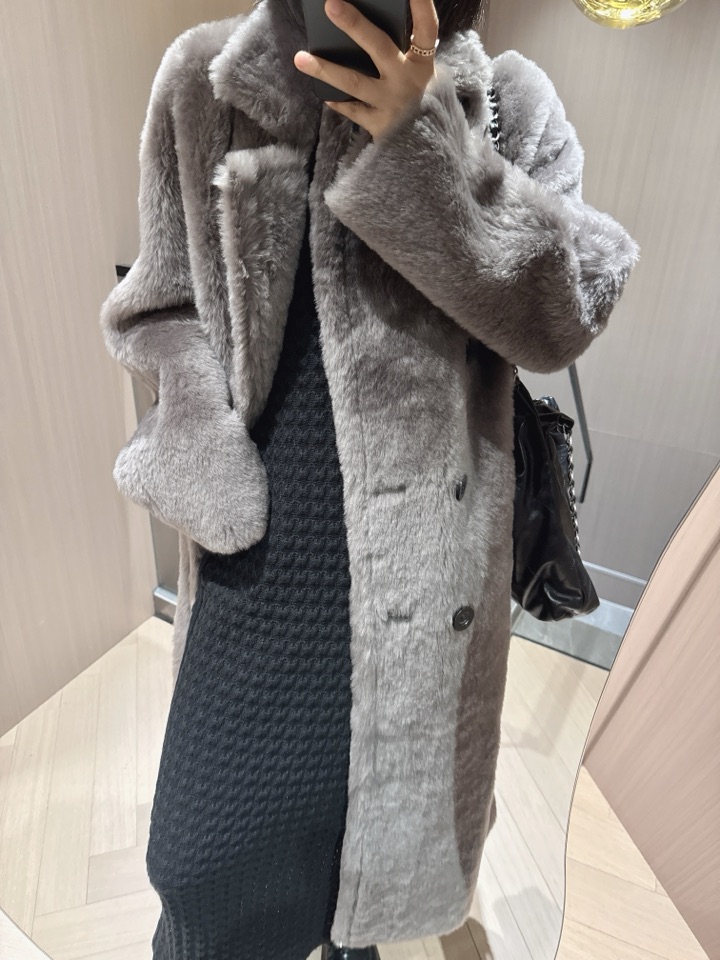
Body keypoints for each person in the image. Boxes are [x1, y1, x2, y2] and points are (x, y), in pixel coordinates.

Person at [99, 0, 640, 957]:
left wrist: (425, 143)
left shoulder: (509, 105)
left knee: (366, 868)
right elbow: (159, 306)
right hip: (254, 566)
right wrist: (201, 455)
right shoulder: (207, 79)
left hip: (429, 588)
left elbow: (564, 312)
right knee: (203, 872)